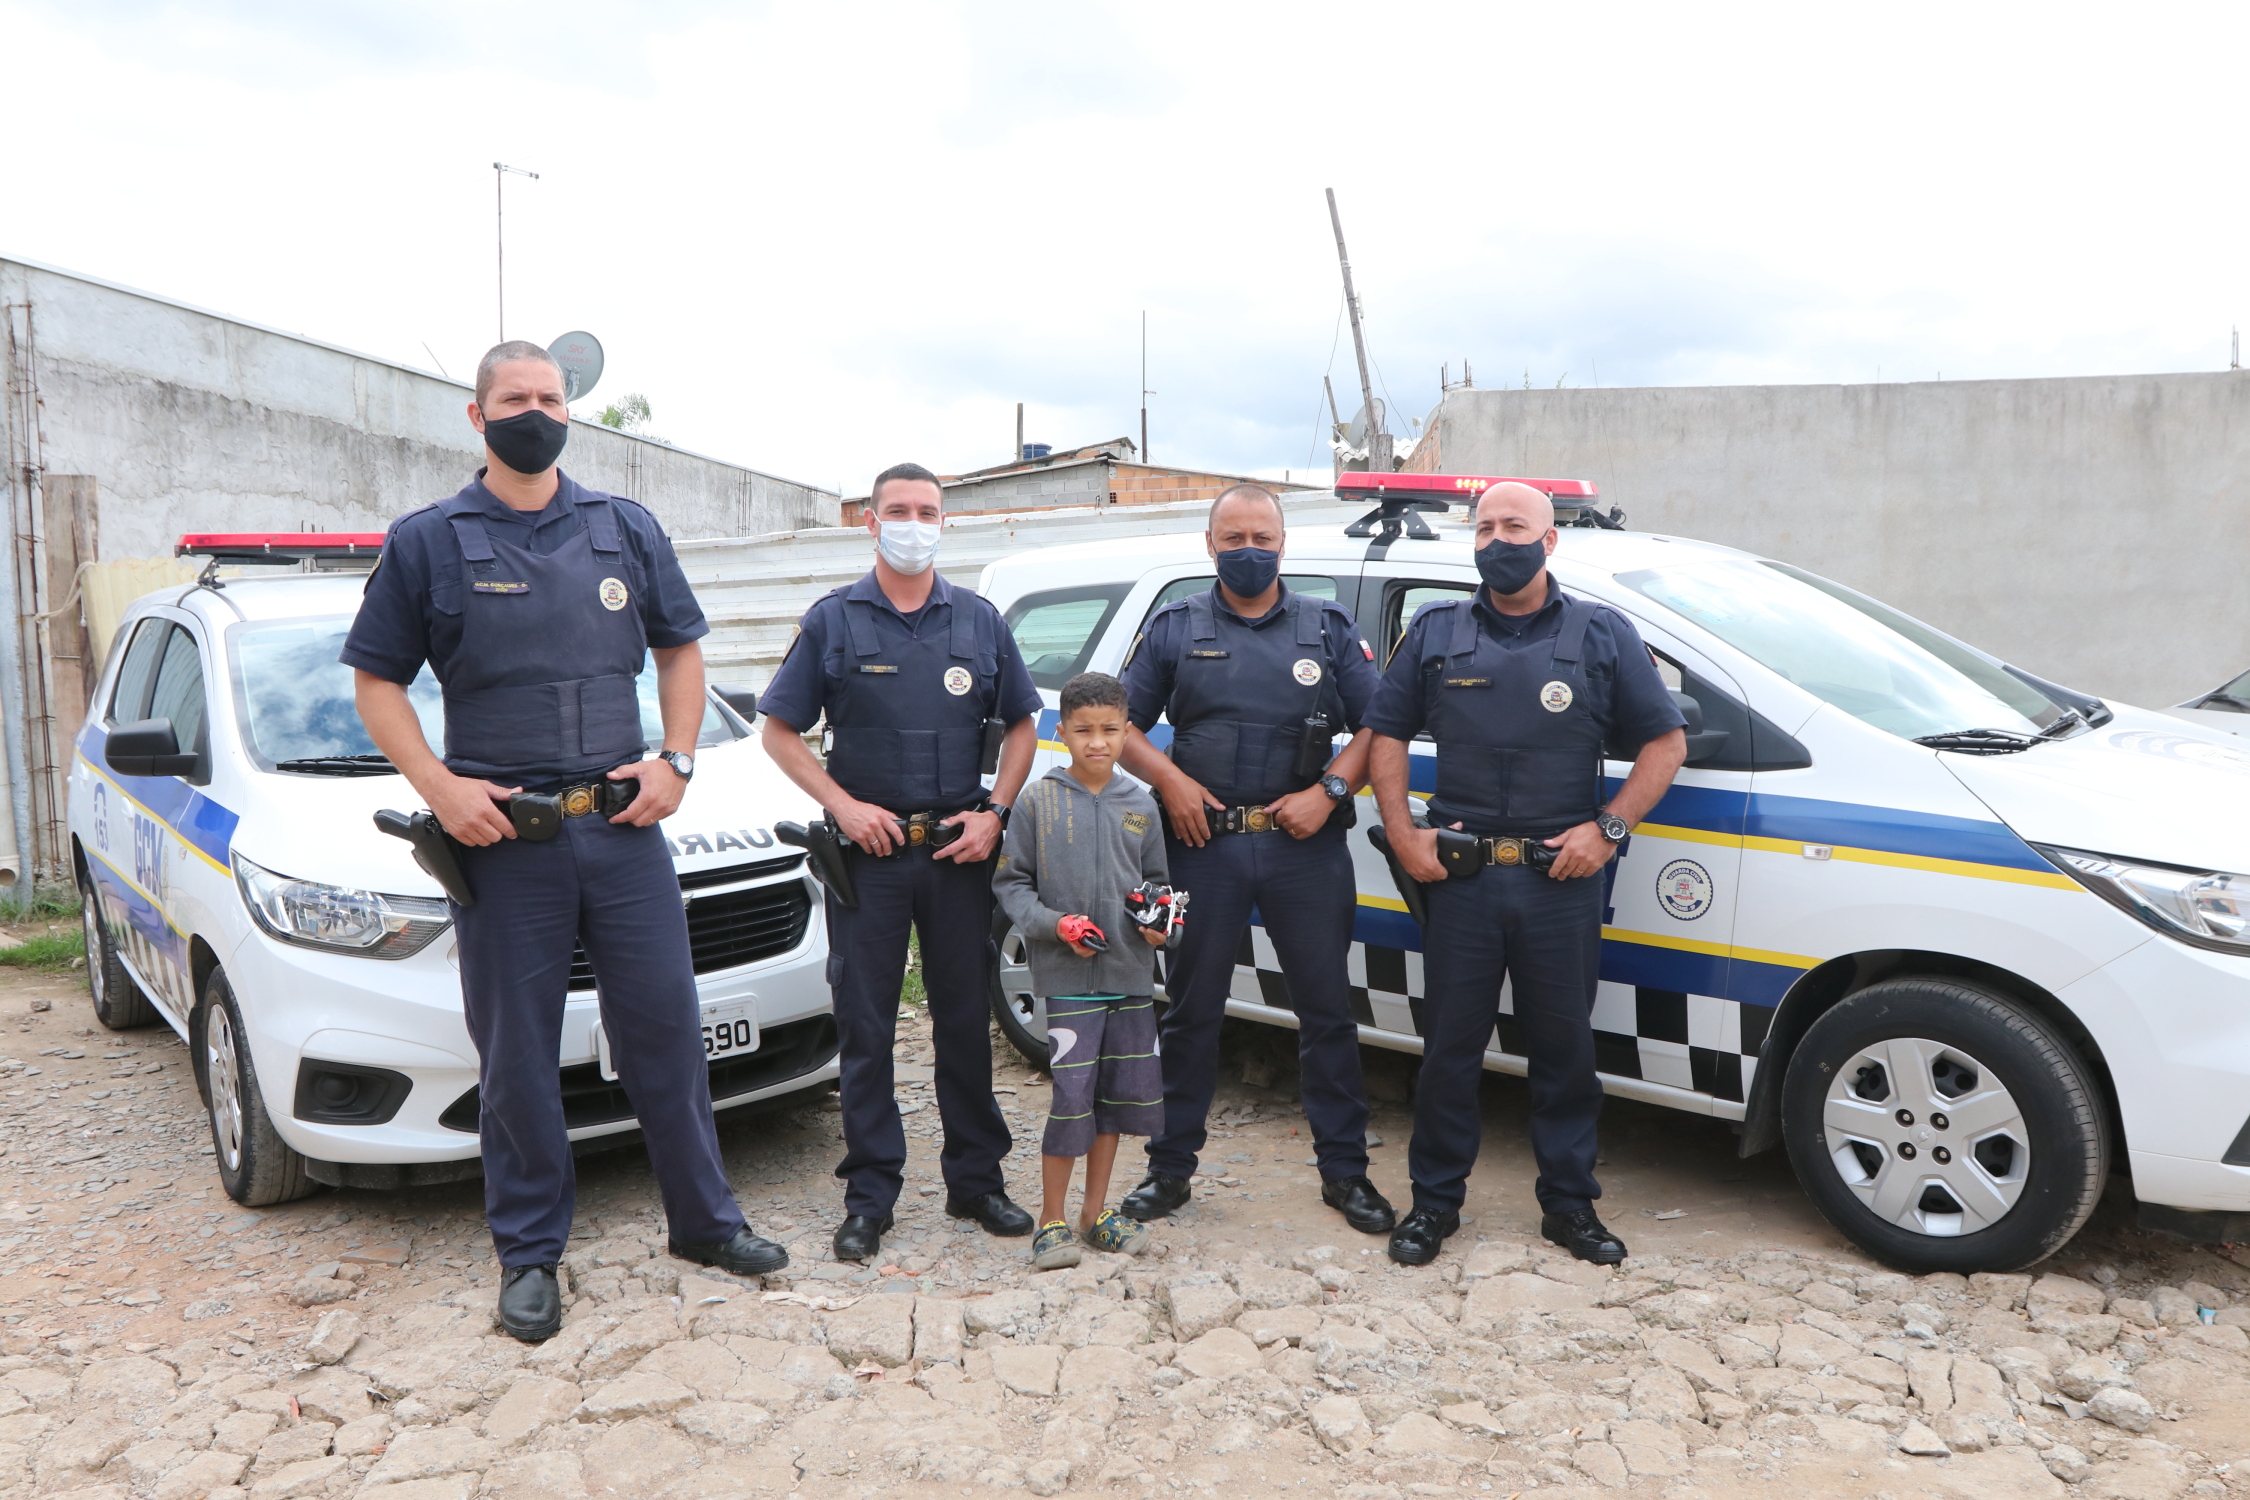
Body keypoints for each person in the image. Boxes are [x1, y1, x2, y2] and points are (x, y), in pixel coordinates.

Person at [345, 341, 787, 1343]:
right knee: (515, 1060)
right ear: (478, 416)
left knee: (667, 1038)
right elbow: (377, 683)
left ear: (569, 412)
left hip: (624, 834)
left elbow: (681, 648)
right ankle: (531, 1254)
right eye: (515, 398)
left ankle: (706, 1224)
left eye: (549, 397)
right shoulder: (428, 541)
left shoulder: (623, 528)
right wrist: (440, 786)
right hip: (505, 844)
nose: (534, 411)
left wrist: (677, 759)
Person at [1365, 481, 1688, 1267]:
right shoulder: (1436, 632)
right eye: (1484, 527)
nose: (1496, 539)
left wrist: (1609, 830)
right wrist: (1404, 834)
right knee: (1447, 1051)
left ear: (1549, 542)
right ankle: (1434, 1204)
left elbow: (1666, 742)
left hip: (1561, 884)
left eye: (1514, 525)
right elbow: (1385, 732)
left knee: (1566, 1052)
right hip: (1462, 881)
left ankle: (1569, 1207)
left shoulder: (1602, 633)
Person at [760, 463, 1040, 1262]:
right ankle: (870, 1195)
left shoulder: (980, 621)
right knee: (867, 1026)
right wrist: (840, 805)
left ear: (943, 522)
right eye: (898, 510)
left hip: (958, 855)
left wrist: (996, 812)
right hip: (869, 859)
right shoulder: (834, 621)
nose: (914, 523)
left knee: (963, 1023)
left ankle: (977, 1182)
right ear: (870, 521)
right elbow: (780, 729)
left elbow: (1021, 724)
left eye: (927, 511)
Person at [1114, 483, 1394, 1235]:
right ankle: (1168, 1173)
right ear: (1210, 545)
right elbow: (1120, 726)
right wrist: (1169, 779)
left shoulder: (1325, 627)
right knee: (1190, 1014)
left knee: (1327, 1016)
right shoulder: (1175, 626)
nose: (1248, 551)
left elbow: (1381, 724)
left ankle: (1346, 1176)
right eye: (1232, 538)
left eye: (1261, 538)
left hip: (1304, 848)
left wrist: (1330, 786)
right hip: (1201, 849)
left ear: (1282, 544)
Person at [991, 672, 1169, 1269]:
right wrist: (1055, 925)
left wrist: (1158, 923)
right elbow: (1011, 882)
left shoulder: (1141, 804)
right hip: (1068, 983)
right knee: (1072, 1098)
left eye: (1111, 730)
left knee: (1115, 1101)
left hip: (1130, 977)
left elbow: (1158, 886)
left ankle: (1096, 1214)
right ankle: (1052, 1220)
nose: (1098, 742)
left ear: (1127, 733)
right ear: (1061, 731)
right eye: (1084, 730)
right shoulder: (1038, 802)